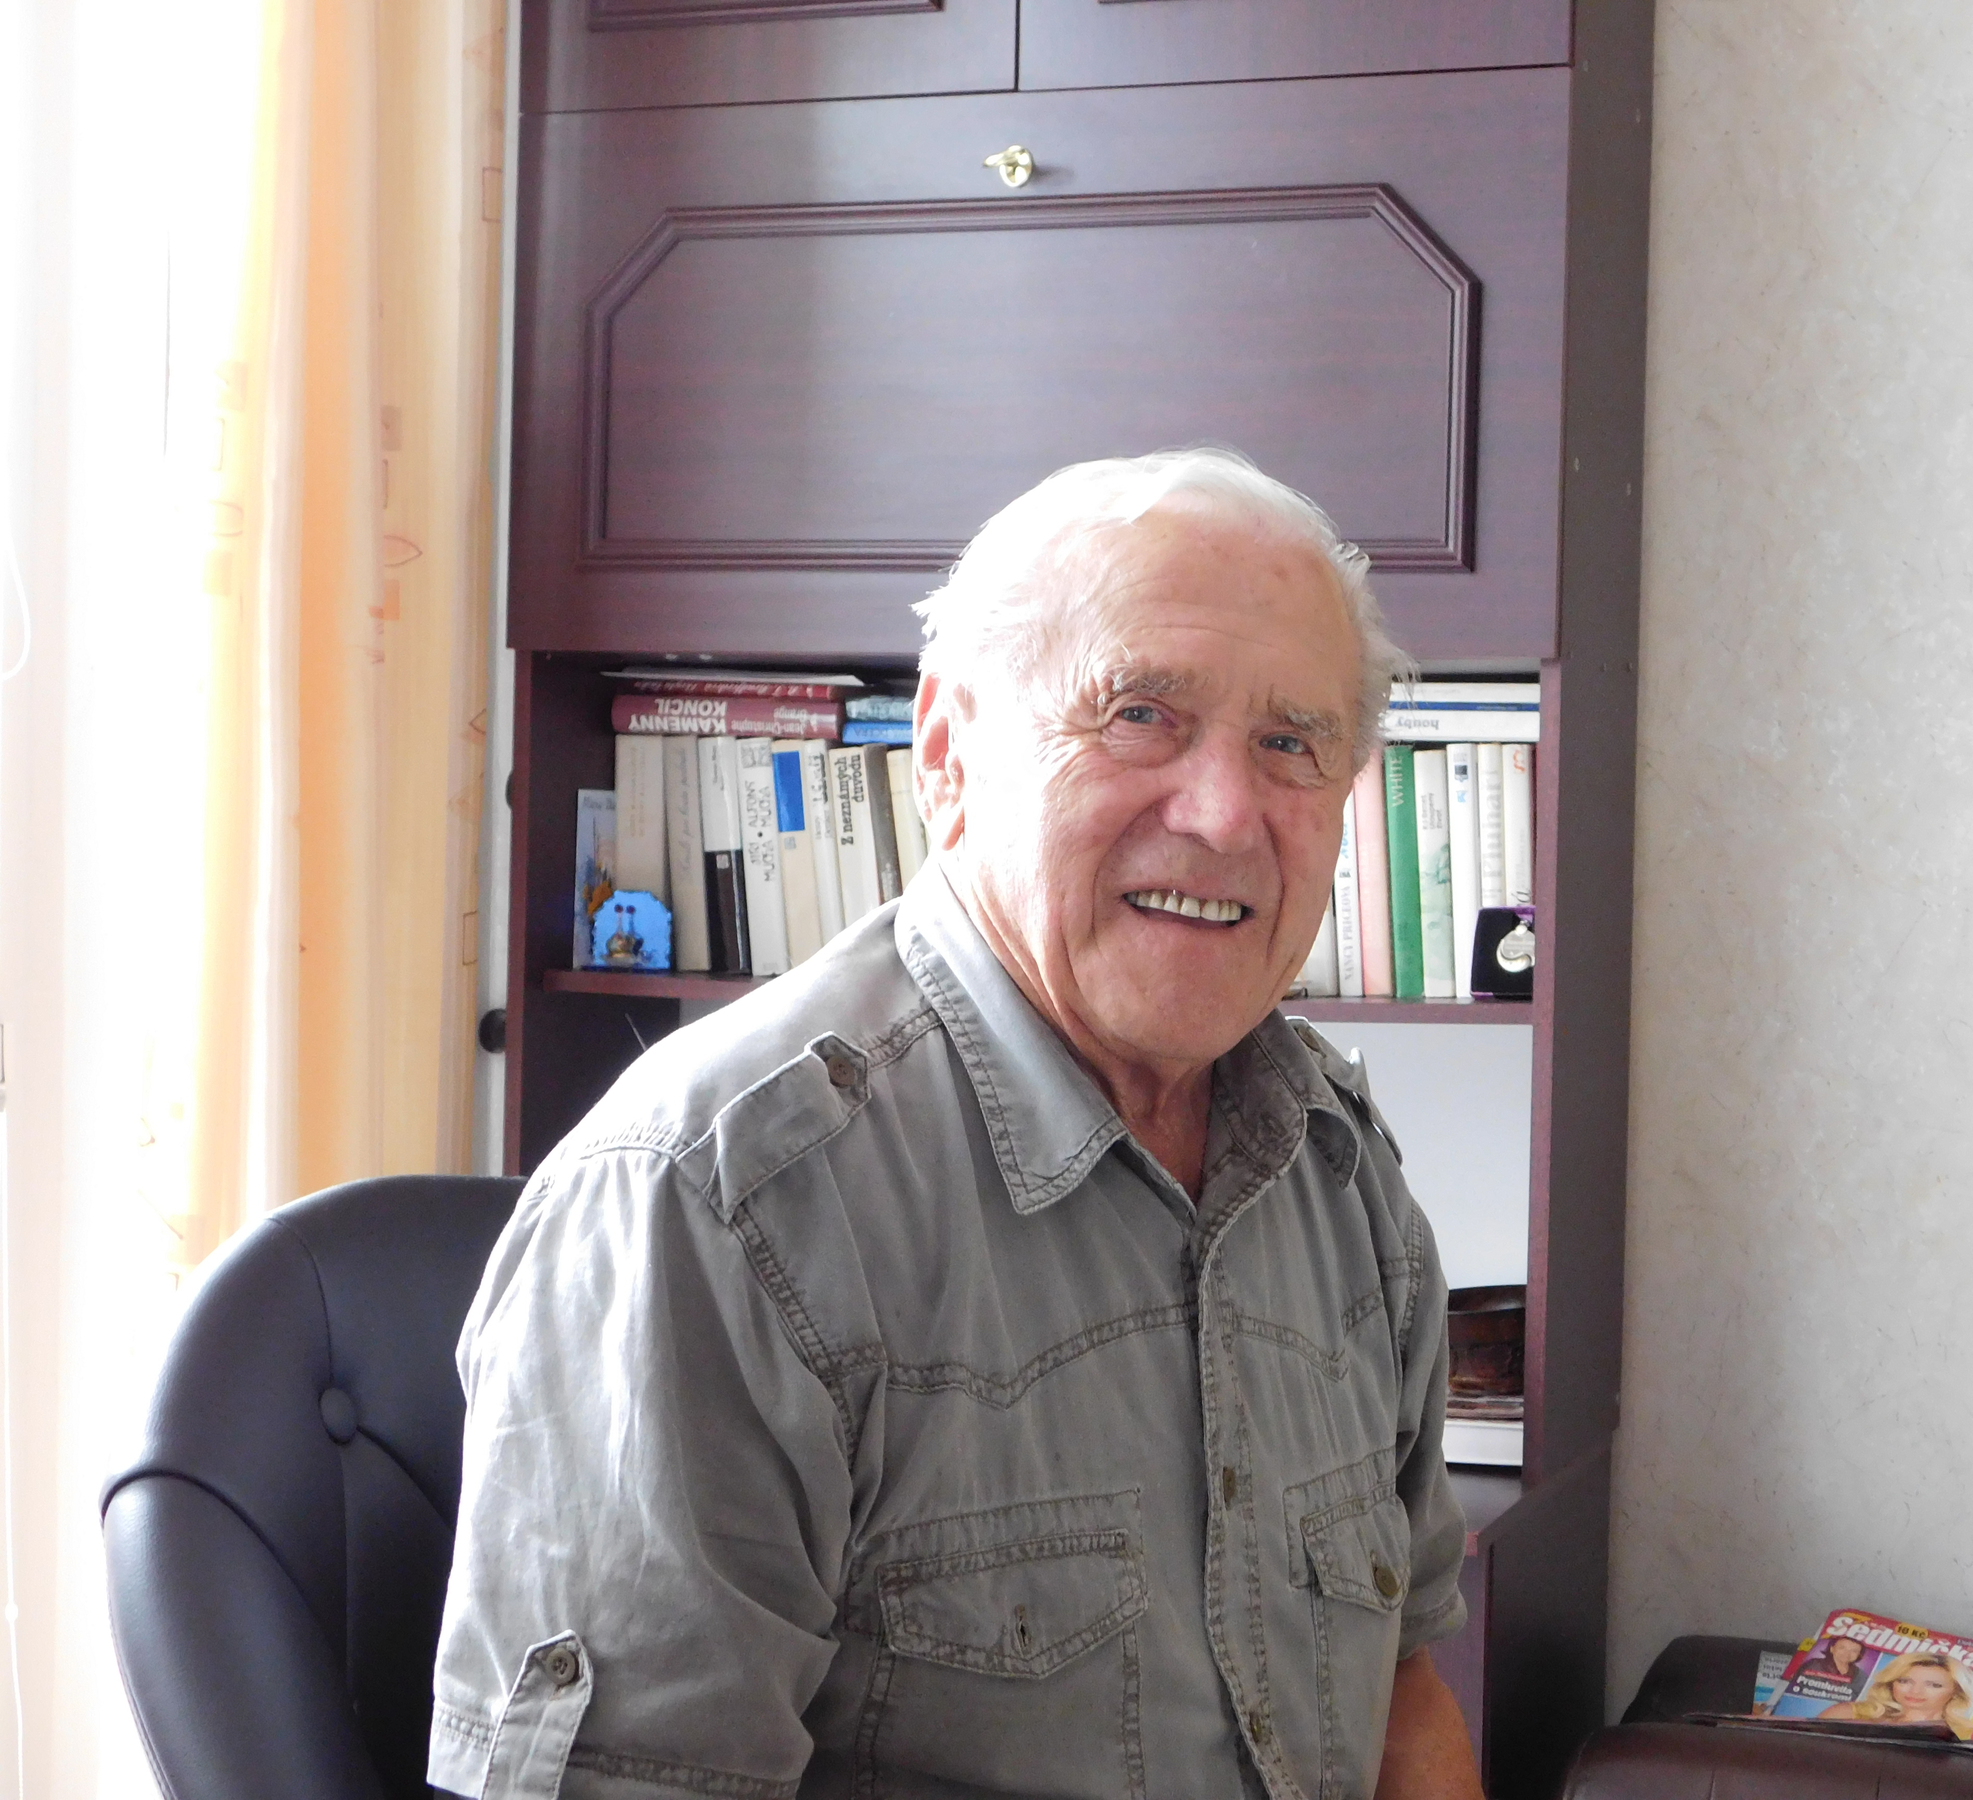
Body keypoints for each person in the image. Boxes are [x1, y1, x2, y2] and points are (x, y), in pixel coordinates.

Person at [428, 449, 1481, 1800]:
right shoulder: (719, 1204)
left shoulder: (1337, 1167)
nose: (1225, 816)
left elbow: (1403, 1698)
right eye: (1141, 714)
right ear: (947, 754)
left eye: (1291, 743)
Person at [1819, 1652, 1973, 1738]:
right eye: (1904, 1681)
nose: (1915, 1691)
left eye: (1934, 1685)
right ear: (1890, 1682)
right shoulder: (1847, 1714)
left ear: (1957, 1692)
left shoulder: (1968, 1736)